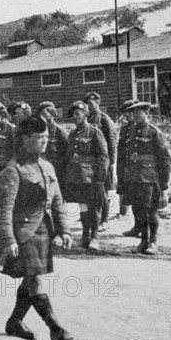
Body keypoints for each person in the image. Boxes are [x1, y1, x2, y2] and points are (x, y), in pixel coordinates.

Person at [0, 116, 73, 340]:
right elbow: (4, 209)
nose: (44, 142)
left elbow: (57, 200)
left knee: (30, 279)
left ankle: (14, 321)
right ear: (25, 139)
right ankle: (55, 329)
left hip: (43, 231)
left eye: (46, 137)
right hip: (22, 234)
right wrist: (8, 239)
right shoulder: (13, 169)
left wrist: (64, 230)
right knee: (34, 279)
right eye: (39, 138)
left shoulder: (48, 166)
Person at [123, 102, 171, 255]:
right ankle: (143, 241)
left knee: (151, 211)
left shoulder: (153, 132)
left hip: (149, 179)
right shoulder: (131, 131)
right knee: (138, 211)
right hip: (134, 177)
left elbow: (165, 159)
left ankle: (153, 242)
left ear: (147, 114)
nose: (136, 116)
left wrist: (164, 186)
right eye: (134, 113)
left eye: (139, 113)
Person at [64, 101, 109, 250]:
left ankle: (94, 237)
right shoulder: (72, 134)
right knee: (82, 207)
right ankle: (84, 236)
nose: (75, 117)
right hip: (77, 178)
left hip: (92, 178)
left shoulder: (95, 132)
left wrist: (100, 179)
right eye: (73, 115)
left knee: (93, 208)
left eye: (78, 114)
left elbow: (103, 157)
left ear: (86, 115)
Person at [83, 92, 118, 230]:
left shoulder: (104, 120)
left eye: (91, 104)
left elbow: (112, 142)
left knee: (102, 190)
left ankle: (105, 219)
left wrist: (111, 163)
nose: (89, 107)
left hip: (103, 161)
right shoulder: (87, 119)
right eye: (87, 105)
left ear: (98, 104)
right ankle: (92, 216)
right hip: (89, 162)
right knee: (91, 190)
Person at [116, 100, 139, 235]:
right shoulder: (125, 128)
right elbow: (121, 149)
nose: (126, 116)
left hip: (137, 169)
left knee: (139, 199)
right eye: (125, 114)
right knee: (128, 194)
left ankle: (142, 227)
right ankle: (136, 227)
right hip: (125, 167)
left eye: (129, 113)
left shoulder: (140, 128)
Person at [35, 101, 68, 190]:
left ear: (52, 114)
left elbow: (67, 154)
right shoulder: (37, 132)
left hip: (57, 172)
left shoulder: (60, 133)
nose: (44, 117)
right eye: (41, 115)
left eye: (46, 114)